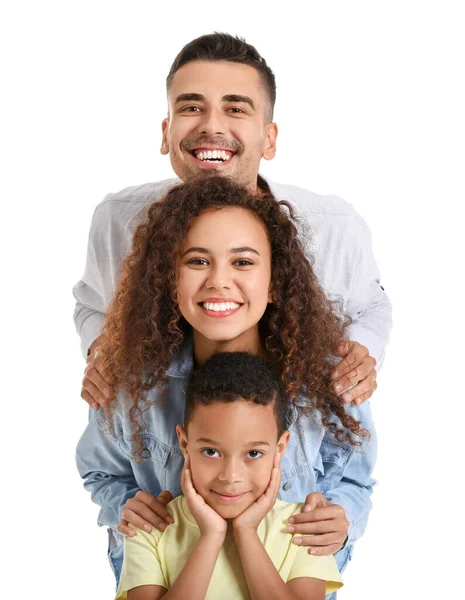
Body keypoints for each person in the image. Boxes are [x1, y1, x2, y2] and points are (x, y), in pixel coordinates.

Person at [76, 176, 376, 600]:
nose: (218, 281)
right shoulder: (129, 380)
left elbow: (356, 479)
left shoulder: (330, 376)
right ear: (170, 278)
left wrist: (343, 517)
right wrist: (124, 504)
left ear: (274, 281)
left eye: (243, 262)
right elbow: (101, 471)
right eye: (197, 261)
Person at [75, 32, 391, 413]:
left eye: (236, 109)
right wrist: (100, 348)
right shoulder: (116, 219)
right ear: (166, 133)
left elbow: (372, 305)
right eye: (191, 108)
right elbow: (90, 303)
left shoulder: (334, 227)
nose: (212, 126)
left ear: (268, 139)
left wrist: (358, 353)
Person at [115, 352, 344, 600]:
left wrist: (247, 532)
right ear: (184, 443)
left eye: (253, 453)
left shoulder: (305, 528)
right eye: (211, 451)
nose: (231, 476)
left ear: (280, 448)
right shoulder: (149, 527)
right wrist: (211, 537)